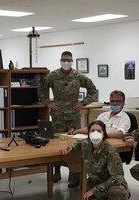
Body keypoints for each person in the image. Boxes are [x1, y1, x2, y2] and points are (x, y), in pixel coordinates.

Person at [38, 51, 98, 187]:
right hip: (58, 115)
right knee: (57, 143)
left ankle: (74, 174)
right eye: (64, 60)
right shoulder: (52, 75)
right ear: (60, 60)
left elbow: (92, 90)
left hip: (73, 116)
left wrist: (83, 103)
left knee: (74, 144)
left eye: (68, 60)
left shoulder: (78, 76)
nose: (66, 62)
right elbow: (41, 89)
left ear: (72, 61)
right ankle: (57, 172)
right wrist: (48, 102)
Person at [62, 120, 130, 200]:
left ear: (104, 134)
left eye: (99, 131)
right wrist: (71, 147)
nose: (95, 133)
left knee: (116, 192)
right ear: (88, 133)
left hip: (113, 184)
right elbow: (78, 144)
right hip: (95, 183)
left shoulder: (110, 150)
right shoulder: (86, 144)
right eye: (92, 130)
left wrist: (93, 191)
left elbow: (117, 177)